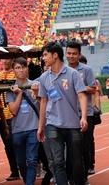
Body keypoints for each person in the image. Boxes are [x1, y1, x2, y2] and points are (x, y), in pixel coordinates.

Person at [37, 42, 87, 185]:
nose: (43, 58)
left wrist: (83, 117)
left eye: (46, 55)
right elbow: (43, 102)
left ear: (55, 55)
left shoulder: (73, 74)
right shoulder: (44, 77)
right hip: (52, 124)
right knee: (57, 161)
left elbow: (82, 95)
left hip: (72, 124)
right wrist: (41, 126)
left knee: (76, 160)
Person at [6, 58, 40, 185]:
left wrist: (36, 93)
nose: (21, 70)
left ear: (27, 68)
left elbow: (42, 105)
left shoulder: (35, 84)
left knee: (32, 160)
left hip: (33, 127)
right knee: (21, 162)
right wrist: (19, 94)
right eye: (17, 68)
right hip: (18, 129)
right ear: (13, 70)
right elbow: (13, 110)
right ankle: (27, 181)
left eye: (23, 67)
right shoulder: (10, 88)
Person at [67, 41, 98, 177]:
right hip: (68, 114)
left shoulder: (86, 70)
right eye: (69, 53)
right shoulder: (62, 70)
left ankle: (84, 174)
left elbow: (93, 88)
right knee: (71, 147)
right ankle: (73, 174)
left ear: (79, 55)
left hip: (86, 113)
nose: (71, 56)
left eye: (74, 54)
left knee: (85, 146)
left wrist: (79, 87)